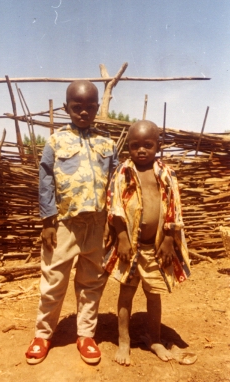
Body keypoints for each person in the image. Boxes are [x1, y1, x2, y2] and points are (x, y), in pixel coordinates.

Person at [25, 80, 118, 365]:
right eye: (77, 108)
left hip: (97, 223)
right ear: (67, 108)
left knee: (92, 280)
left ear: (97, 107)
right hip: (64, 223)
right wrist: (48, 221)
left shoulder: (107, 143)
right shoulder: (55, 141)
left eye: (90, 107)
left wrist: (112, 223)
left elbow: (115, 183)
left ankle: (86, 334)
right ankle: (43, 334)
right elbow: (45, 181)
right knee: (54, 280)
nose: (84, 113)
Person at [104, 120, 190, 366]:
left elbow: (174, 209)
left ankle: (155, 339)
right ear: (128, 147)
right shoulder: (122, 172)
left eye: (148, 145)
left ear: (158, 146)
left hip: (156, 247)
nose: (141, 150)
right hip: (129, 247)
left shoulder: (166, 174)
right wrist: (121, 237)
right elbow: (115, 207)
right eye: (135, 145)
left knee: (154, 294)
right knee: (126, 292)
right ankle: (123, 340)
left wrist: (169, 239)